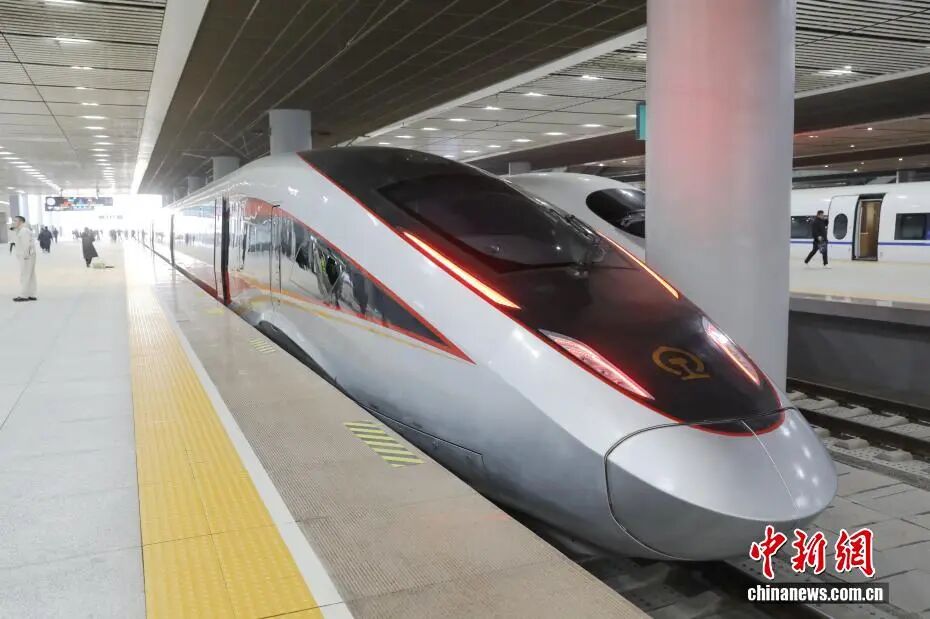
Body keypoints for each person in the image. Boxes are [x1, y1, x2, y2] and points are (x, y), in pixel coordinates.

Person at [9, 216, 37, 301]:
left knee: (25, 275)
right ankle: (31, 294)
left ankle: (24, 295)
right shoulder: (21, 230)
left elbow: (26, 244)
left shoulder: (24, 231)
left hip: (26, 256)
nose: (13, 222)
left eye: (15, 220)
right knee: (30, 275)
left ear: (21, 222)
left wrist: (26, 256)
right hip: (28, 255)